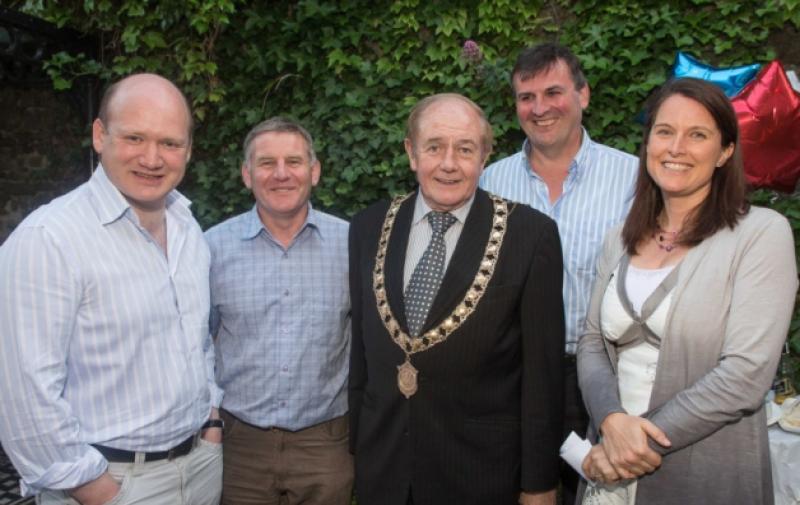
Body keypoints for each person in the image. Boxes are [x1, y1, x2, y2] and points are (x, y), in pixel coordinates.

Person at [0, 73, 223, 505]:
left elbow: (198, 343)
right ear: (100, 135)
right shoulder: (48, 239)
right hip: (111, 484)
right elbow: (23, 396)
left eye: (170, 143)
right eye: (135, 137)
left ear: (188, 150)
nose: (152, 158)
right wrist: (96, 490)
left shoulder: (188, 228)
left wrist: (212, 423)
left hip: (200, 467)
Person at [577, 77, 798, 504]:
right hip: (610, 460)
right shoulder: (618, 238)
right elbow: (591, 342)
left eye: (697, 135)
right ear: (647, 143)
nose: (676, 148)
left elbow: (746, 374)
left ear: (725, 150)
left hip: (701, 467)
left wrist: (633, 446)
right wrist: (610, 420)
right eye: (664, 131)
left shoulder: (760, 234)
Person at [349, 93, 565, 505]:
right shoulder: (368, 226)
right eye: (434, 147)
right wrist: (357, 451)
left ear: (484, 157)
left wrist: (539, 484)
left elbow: (543, 377)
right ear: (411, 153)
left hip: (480, 476)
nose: (448, 164)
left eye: (465, 149)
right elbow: (361, 356)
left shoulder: (530, 236)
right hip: (384, 473)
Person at [479, 42, 638, 505]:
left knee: (597, 492)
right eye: (526, 97)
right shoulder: (490, 182)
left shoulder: (632, 178)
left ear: (583, 94)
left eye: (553, 92)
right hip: (511, 379)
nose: (539, 108)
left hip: (596, 378)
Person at [205, 117, 352, 505]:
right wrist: (210, 419)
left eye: (294, 162)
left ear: (314, 171)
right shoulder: (212, 248)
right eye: (267, 163)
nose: (281, 174)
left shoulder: (352, 244)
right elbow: (197, 343)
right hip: (239, 444)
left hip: (326, 443)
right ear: (247, 175)